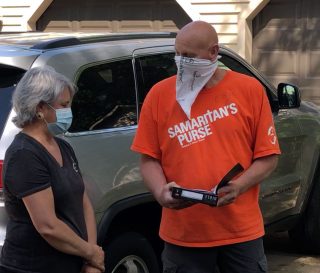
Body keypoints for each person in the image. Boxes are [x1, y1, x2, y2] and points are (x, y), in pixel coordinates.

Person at [131, 21, 281, 273]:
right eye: (177, 54)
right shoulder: (159, 95)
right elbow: (148, 159)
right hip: (183, 234)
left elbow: (268, 157)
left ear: (213, 52)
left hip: (240, 232)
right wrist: (160, 193)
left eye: (189, 56)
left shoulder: (249, 90)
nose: (181, 61)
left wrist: (239, 186)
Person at [0, 66, 105, 273]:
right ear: (40, 108)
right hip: (34, 266)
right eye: (64, 105)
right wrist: (91, 253)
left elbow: (82, 203)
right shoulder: (24, 154)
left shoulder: (62, 146)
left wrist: (90, 257)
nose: (69, 111)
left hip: (72, 261)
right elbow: (47, 226)